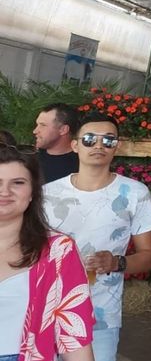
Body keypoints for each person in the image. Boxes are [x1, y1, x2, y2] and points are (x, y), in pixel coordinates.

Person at [42, 112, 151, 361]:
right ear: (75, 145)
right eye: (89, 139)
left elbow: (149, 257)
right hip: (46, 310)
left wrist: (116, 262)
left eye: (108, 140)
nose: (98, 146)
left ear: (117, 146)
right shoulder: (47, 194)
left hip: (100, 315)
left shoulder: (135, 193)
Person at [1, 145, 95, 361]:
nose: (5, 191)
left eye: (18, 182)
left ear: (33, 192)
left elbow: (73, 333)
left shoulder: (58, 250)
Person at [33, 103, 80, 183]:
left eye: (43, 125)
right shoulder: (31, 159)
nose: (35, 131)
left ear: (63, 130)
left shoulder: (83, 164)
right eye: (37, 125)